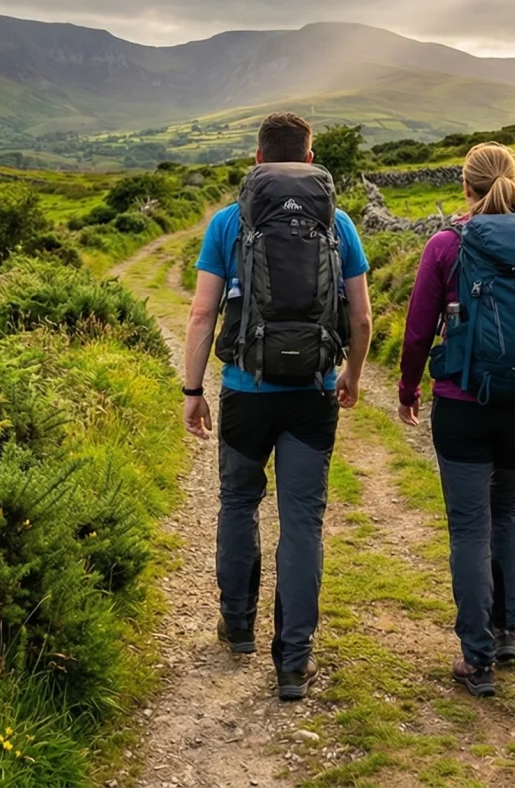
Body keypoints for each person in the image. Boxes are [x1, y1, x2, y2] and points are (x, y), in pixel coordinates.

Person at [182, 112, 373, 702]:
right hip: (313, 394)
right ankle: (293, 660)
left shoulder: (228, 222)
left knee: (239, 502)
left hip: (246, 392)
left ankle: (238, 626)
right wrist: (351, 375)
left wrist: (193, 391)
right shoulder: (338, 221)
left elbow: (202, 314)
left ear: (258, 158)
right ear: (309, 158)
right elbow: (363, 317)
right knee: (302, 522)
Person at [396, 142, 515, 698]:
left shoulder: (446, 245)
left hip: (463, 406)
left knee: (469, 527)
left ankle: (476, 660)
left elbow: (417, 331)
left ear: (466, 187)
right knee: (509, 512)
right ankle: (508, 634)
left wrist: (408, 389)